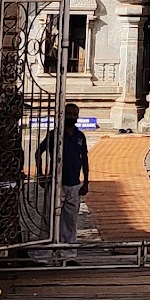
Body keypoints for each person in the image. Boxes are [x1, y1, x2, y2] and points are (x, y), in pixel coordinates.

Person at [58, 101, 89, 246]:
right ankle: (47, 251)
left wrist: (86, 182)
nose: (72, 117)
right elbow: (39, 151)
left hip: (74, 184)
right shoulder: (56, 134)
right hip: (57, 183)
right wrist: (41, 174)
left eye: (74, 115)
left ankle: (69, 251)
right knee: (51, 219)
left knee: (71, 220)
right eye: (69, 114)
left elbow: (85, 159)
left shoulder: (80, 136)